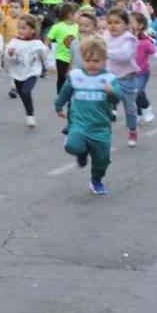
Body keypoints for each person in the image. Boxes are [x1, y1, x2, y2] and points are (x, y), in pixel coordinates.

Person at [55, 36, 121, 195]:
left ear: (104, 60)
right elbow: (65, 92)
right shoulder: (76, 76)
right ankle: (82, 151)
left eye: (97, 61)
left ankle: (96, 180)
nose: (92, 64)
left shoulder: (109, 79)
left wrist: (112, 93)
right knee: (73, 145)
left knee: (102, 160)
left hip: (101, 127)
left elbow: (117, 99)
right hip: (80, 123)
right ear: (83, 58)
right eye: (88, 60)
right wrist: (58, 106)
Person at [5, 14, 52, 128]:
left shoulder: (37, 44)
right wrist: (10, 54)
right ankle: (29, 112)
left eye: (24, 28)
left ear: (32, 30)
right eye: (19, 28)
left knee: (26, 92)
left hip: (32, 72)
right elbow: (7, 56)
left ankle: (30, 115)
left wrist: (50, 66)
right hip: (17, 72)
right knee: (22, 93)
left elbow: (45, 54)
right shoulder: (14, 42)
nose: (20, 31)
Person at [105, 8, 140, 147]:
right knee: (103, 105)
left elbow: (124, 55)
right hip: (110, 79)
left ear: (125, 24)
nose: (112, 25)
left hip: (127, 79)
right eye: (110, 22)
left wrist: (105, 51)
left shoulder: (129, 38)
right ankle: (103, 133)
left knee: (130, 109)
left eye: (117, 22)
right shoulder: (106, 36)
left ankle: (132, 129)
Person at [45, 3, 79, 93]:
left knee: (74, 79)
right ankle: (60, 95)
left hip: (75, 58)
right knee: (62, 78)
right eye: (76, 14)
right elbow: (48, 39)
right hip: (61, 57)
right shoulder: (57, 27)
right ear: (70, 15)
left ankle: (72, 98)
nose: (78, 16)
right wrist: (48, 53)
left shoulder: (78, 27)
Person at [132, 12, 157, 124]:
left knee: (138, 91)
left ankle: (147, 108)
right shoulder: (126, 39)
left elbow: (155, 52)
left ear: (140, 25)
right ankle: (137, 114)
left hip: (142, 71)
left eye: (132, 22)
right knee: (134, 93)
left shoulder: (145, 42)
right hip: (130, 72)